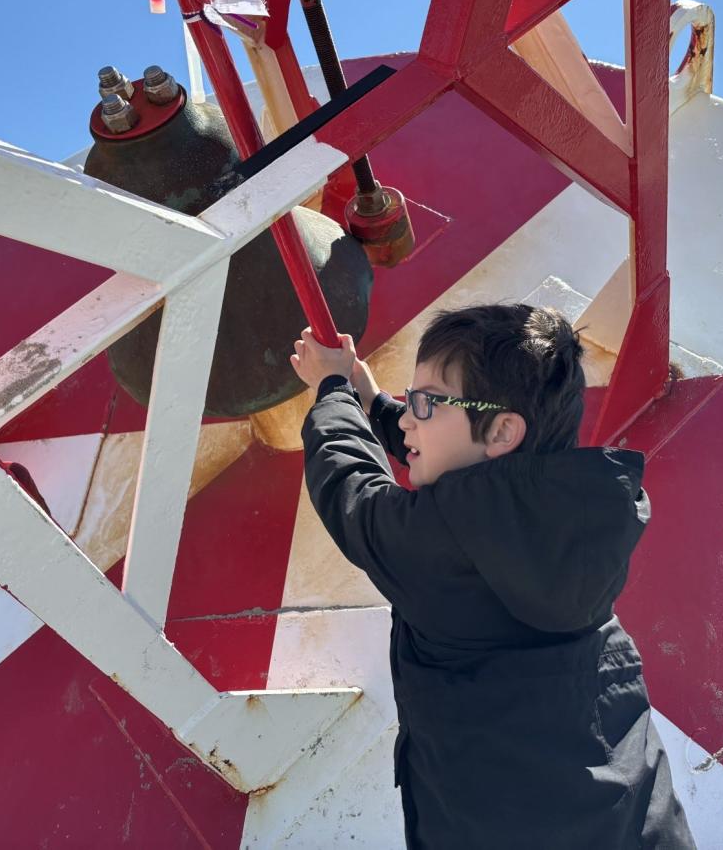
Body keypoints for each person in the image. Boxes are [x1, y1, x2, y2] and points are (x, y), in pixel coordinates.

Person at [290, 304, 694, 849]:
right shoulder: (582, 506)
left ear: (503, 428)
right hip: (627, 820)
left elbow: (350, 492)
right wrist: (377, 404)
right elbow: (455, 457)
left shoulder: (435, 545)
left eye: (425, 403)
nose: (410, 418)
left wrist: (334, 389)